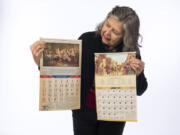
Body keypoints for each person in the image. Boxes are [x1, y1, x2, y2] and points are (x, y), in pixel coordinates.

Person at [30, 6, 148, 135]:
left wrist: (138, 74)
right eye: (107, 25)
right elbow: (66, 72)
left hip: (115, 116)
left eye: (115, 32)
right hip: (83, 113)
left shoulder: (130, 53)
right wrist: (40, 63)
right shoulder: (87, 40)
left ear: (126, 35)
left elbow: (140, 90)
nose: (107, 32)